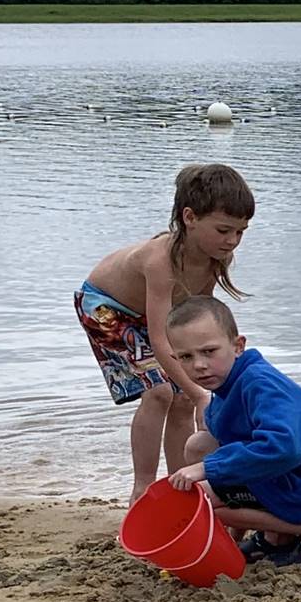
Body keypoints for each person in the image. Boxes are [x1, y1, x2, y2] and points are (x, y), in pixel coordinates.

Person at [77, 164, 254, 502]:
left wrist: (219, 368)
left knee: (184, 396)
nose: (232, 241)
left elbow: (200, 317)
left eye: (240, 232)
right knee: (159, 391)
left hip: (155, 314)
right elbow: (160, 339)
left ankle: (180, 485)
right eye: (223, 230)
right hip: (104, 308)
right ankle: (142, 487)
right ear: (190, 217)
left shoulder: (219, 256)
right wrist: (204, 395)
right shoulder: (160, 261)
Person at [166, 297, 301, 572]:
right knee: (200, 444)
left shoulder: (260, 384)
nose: (199, 365)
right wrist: (236, 532)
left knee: (204, 499)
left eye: (209, 351)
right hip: (297, 479)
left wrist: (208, 468)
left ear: (238, 346)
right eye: (187, 357)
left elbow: (285, 447)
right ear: (175, 359)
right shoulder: (225, 388)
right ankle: (276, 537)